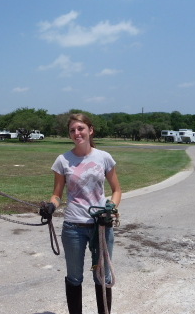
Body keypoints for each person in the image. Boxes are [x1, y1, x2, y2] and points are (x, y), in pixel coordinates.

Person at [42, 113, 122, 314]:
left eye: (80, 129)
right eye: (72, 130)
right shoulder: (63, 160)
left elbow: (117, 191)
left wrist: (110, 207)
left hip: (101, 226)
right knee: (74, 278)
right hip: (73, 227)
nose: (76, 133)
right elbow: (57, 194)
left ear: (90, 130)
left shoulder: (104, 157)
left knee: (103, 277)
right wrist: (51, 206)